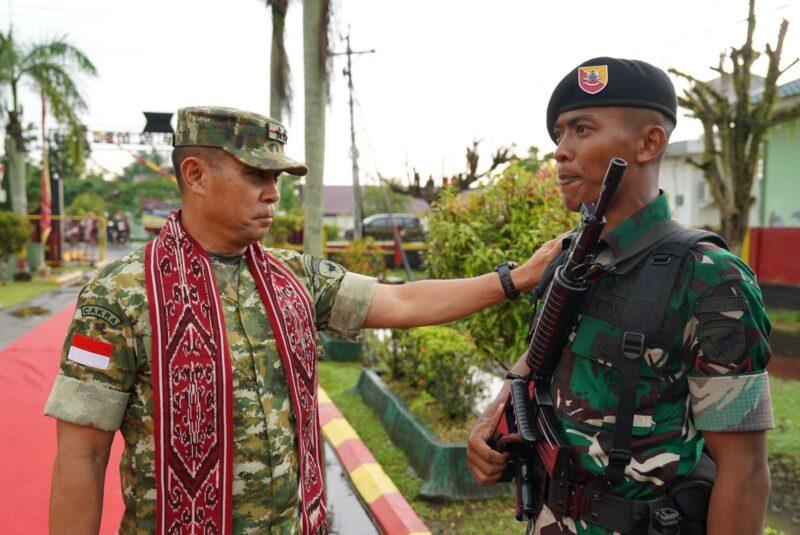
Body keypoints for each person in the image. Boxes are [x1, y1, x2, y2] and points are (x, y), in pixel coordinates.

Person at [45, 106, 563, 535]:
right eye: (256, 175)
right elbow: (82, 456)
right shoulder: (121, 295)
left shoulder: (294, 278)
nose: (273, 193)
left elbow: (403, 302)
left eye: (275, 178)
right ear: (196, 175)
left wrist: (517, 277)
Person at [466, 58, 774, 535]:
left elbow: (745, 470)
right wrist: (490, 420)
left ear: (648, 143)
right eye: (559, 134)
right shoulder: (567, 258)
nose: (561, 151)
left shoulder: (709, 277)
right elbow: (538, 357)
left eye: (582, 129)